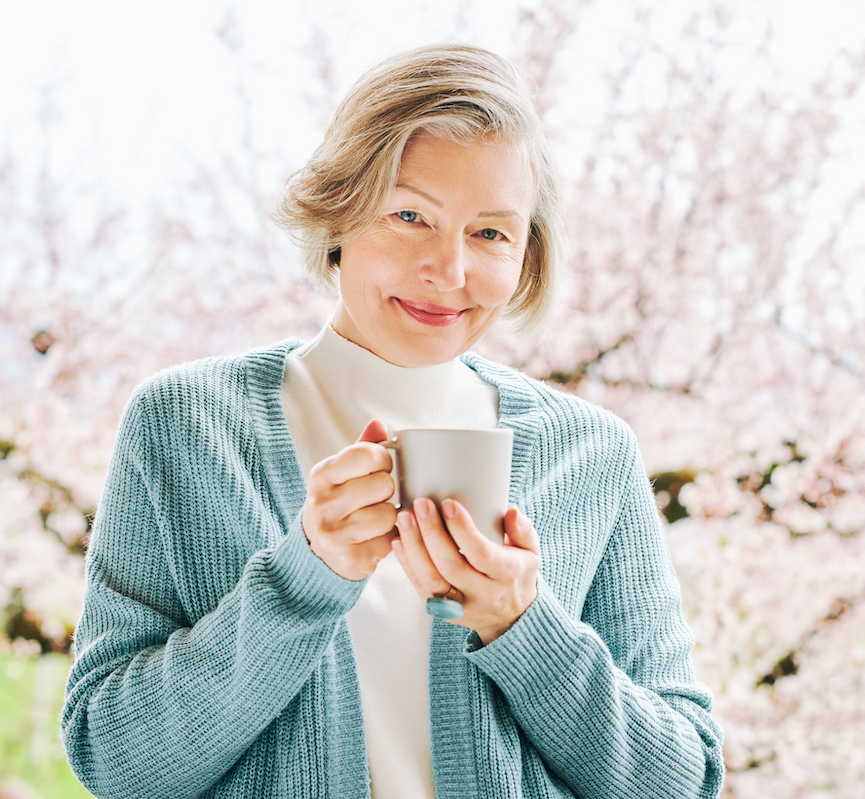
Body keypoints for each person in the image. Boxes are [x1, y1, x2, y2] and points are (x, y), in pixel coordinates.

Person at [61, 43, 724, 799]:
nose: (450, 270)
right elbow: (115, 762)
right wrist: (305, 574)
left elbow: (680, 780)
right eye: (411, 216)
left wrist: (521, 623)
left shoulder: (591, 453)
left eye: (491, 233)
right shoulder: (187, 426)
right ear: (339, 212)